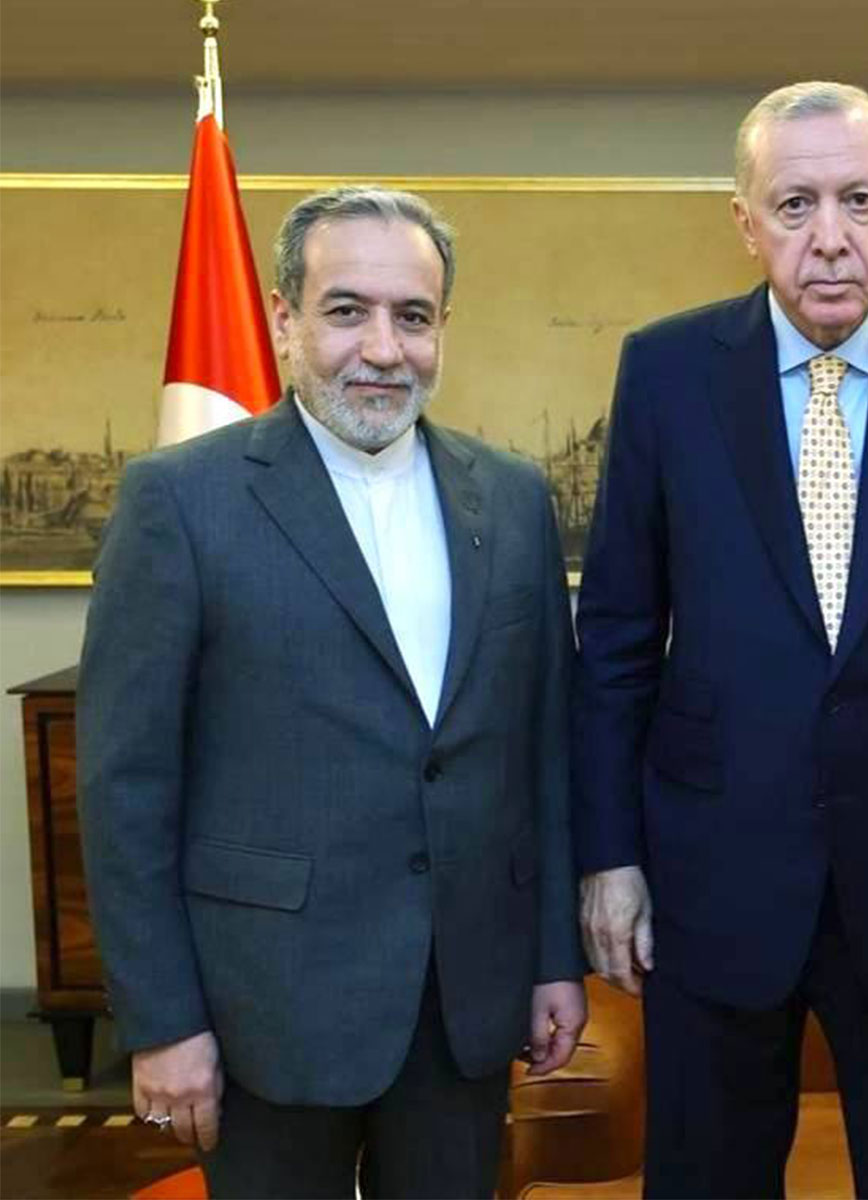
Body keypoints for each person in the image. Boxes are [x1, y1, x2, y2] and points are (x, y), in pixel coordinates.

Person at [573, 81, 868, 1198]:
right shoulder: (668, 372)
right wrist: (609, 856)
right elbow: (619, 638)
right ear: (745, 222)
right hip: (712, 877)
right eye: (794, 205)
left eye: (859, 200)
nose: (829, 237)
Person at [78, 185, 587, 1199]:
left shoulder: (513, 498)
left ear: (442, 327)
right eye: (347, 311)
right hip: (266, 1008)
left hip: (462, 1005)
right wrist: (163, 1022)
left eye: (413, 317)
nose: (383, 350)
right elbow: (125, 787)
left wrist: (551, 958)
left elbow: (540, 752)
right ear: (284, 320)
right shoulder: (179, 500)